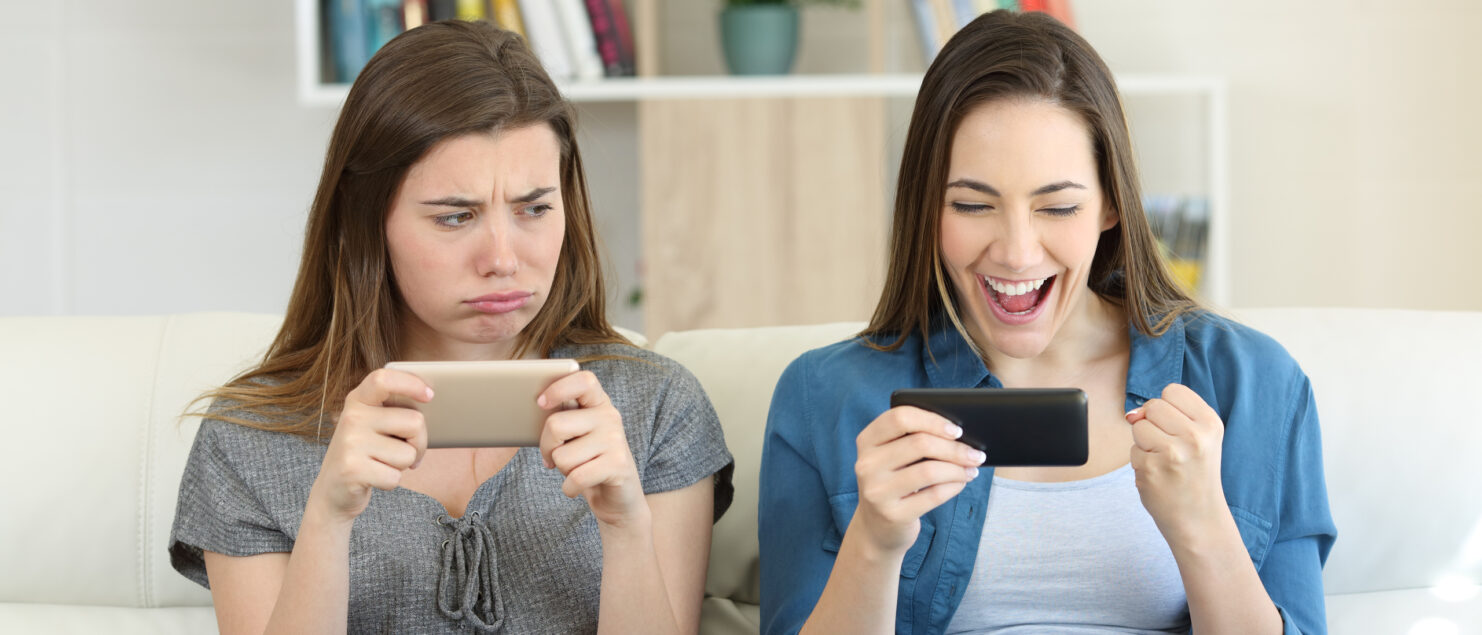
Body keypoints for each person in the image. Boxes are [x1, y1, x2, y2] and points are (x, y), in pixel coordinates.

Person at [758, 10, 1334, 635]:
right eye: (973, 204)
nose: (1017, 251)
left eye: (1057, 206)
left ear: (1112, 203)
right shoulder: (823, 398)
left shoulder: (1258, 385)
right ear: (926, 207)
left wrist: (1205, 532)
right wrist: (873, 543)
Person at [168, 20, 733, 635]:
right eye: (455, 217)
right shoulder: (249, 439)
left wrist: (625, 529)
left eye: (534, 209)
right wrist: (327, 520)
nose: (503, 258)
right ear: (366, 223)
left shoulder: (657, 408)